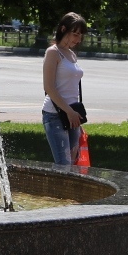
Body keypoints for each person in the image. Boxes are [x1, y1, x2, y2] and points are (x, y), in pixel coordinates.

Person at [41, 12, 87, 166]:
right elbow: (48, 87)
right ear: (63, 29)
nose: (78, 39)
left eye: (80, 35)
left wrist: (74, 113)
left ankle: (66, 190)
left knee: (72, 163)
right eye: (75, 34)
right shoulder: (53, 52)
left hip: (73, 114)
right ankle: (55, 190)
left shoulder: (71, 54)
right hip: (55, 114)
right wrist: (69, 111)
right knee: (63, 164)